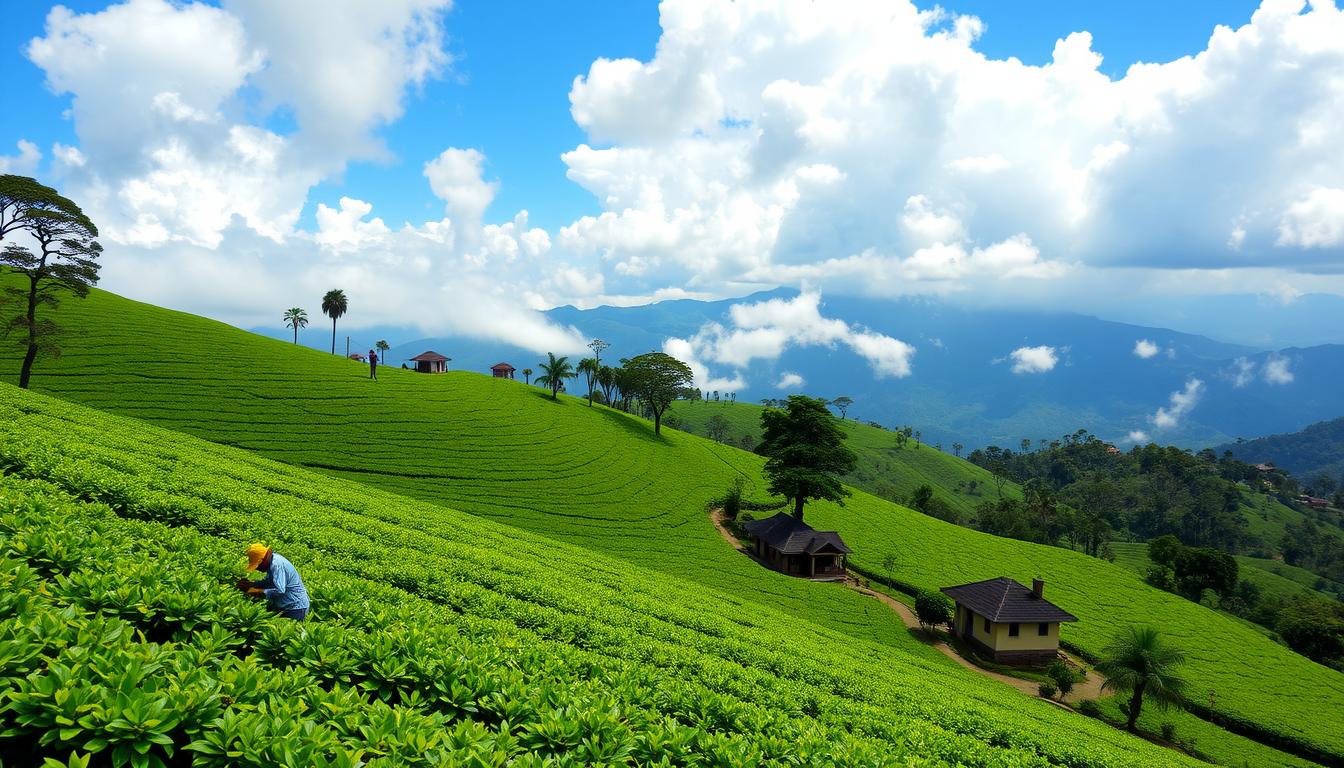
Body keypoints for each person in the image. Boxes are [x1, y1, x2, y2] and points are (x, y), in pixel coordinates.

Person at [239, 543, 310, 620]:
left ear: (263, 560)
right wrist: (253, 584)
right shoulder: (272, 563)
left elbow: (279, 591)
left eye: (257, 565)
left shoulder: (276, 565)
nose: (257, 568)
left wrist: (252, 591)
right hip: (285, 606)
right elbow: (269, 582)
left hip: (295, 608)